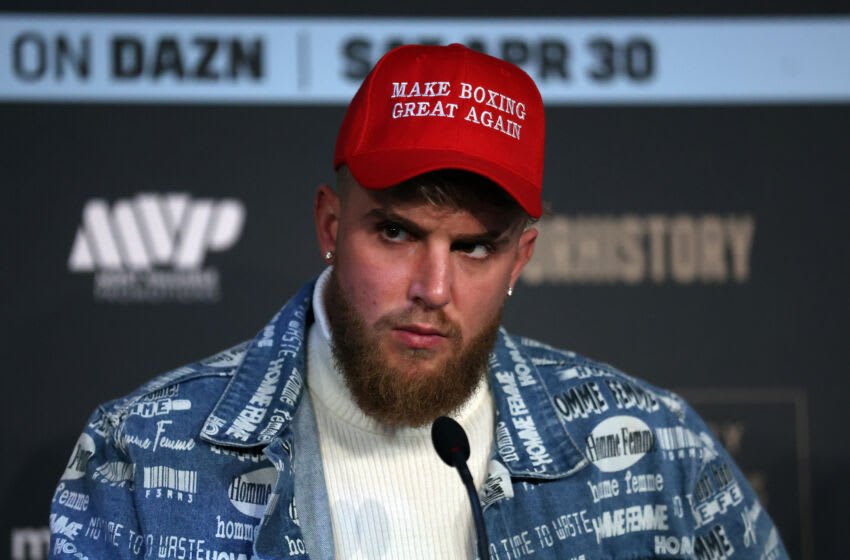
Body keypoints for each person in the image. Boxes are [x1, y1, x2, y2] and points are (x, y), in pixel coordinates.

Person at [49, 44, 787, 560]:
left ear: (520, 259)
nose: (433, 290)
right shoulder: (140, 457)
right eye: (396, 233)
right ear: (331, 226)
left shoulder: (659, 455)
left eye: (474, 247)